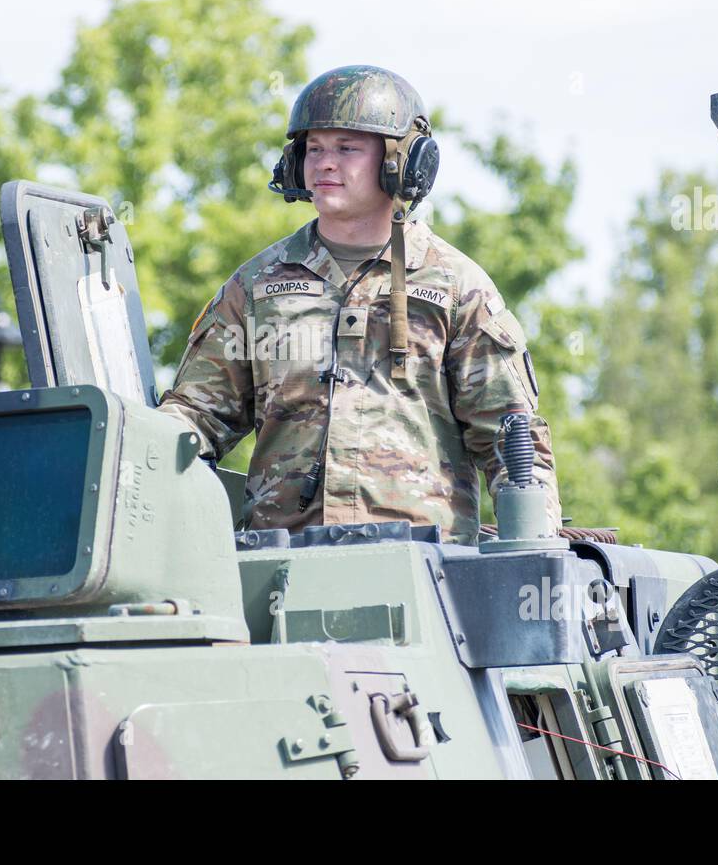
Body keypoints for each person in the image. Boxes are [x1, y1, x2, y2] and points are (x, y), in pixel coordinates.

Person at [156, 64, 560, 544]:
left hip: (425, 572)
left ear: (400, 163)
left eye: (347, 148)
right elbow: (197, 417)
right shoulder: (257, 286)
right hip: (281, 564)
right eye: (314, 149)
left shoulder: (457, 287)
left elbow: (510, 442)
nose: (325, 164)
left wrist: (535, 555)